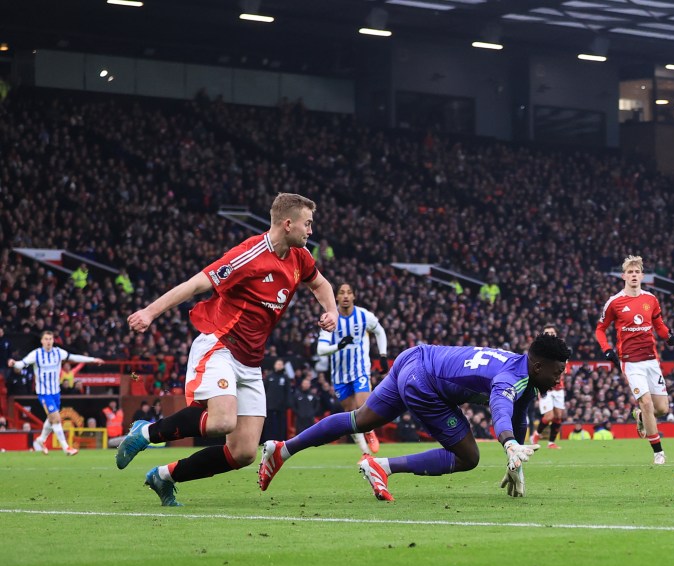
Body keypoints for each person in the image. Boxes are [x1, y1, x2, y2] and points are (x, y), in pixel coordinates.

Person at [117, 192, 338, 506]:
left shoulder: (299, 257)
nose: (311, 231)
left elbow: (321, 285)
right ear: (288, 224)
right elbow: (197, 283)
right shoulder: (248, 255)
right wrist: (151, 312)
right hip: (220, 345)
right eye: (308, 224)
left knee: (244, 451)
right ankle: (147, 433)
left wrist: (330, 312)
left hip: (250, 360)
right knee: (222, 421)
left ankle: (164, 476)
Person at [258, 333, 572, 501]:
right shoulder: (511, 378)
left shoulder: (527, 379)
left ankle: (282, 449)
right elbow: (502, 409)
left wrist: (515, 457)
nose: (560, 380)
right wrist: (507, 445)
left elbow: (518, 419)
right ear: (538, 366)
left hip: (416, 356)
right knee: (468, 457)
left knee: (359, 420)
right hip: (425, 383)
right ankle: (381, 466)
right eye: (557, 372)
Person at [595, 255, 674, 465]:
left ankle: (640, 416)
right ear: (623, 276)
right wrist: (607, 349)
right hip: (631, 362)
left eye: (636, 272)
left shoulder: (651, 299)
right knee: (647, 402)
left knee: (662, 409)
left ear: (642, 275)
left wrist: (668, 336)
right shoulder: (615, 302)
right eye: (629, 272)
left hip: (651, 360)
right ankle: (658, 452)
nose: (633, 275)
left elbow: (658, 324)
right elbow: (600, 329)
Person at [315, 282, 388, 455]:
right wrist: (339, 346)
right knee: (350, 413)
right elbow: (320, 350)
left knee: (363, 406)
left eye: (349, 292)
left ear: (354, 296)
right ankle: (365, 454)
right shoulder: (330, 319)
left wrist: (383, 355)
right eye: (342, 292)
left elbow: (380, 331)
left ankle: (369, 431)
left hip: (360, 369)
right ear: (337, 297)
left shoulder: (364, 316)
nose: (346, 296)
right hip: (339, 375)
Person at [8, 330, 105, 456]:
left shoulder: (58, 353)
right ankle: (66, 448)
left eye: (50, 339)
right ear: (42, 341)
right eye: (46, 339)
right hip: (44, 393)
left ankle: (41, 440)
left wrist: (92, 359)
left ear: (53, 341)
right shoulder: (36, 354)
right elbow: (22, 363)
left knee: (52, 418)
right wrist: (14, 363)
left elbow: (74, 357)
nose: (48, 341)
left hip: (56, 392)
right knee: (56, 418)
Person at [530, 325, 566, 450]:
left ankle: (551, 443)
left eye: (552, 332)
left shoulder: (561, 349)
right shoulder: (540, 350)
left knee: (558, 416)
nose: (550, 334)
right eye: (547, 332)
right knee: (549, 416)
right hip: (546, 386)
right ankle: (536, 434)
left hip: (559, 388)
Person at [263, 359, 292, 442]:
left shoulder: (285, 378)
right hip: (269, 406)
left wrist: (288, 404)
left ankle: (281, 441)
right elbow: (264, 390)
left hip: (281, 407)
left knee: (281, 424)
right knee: (269, 424)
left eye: (280, 364)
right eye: (277, 364)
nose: (279, 366)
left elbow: (288, 392)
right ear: (275, 365)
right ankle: (268, 441)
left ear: (283, 366)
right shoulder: (269, 377)